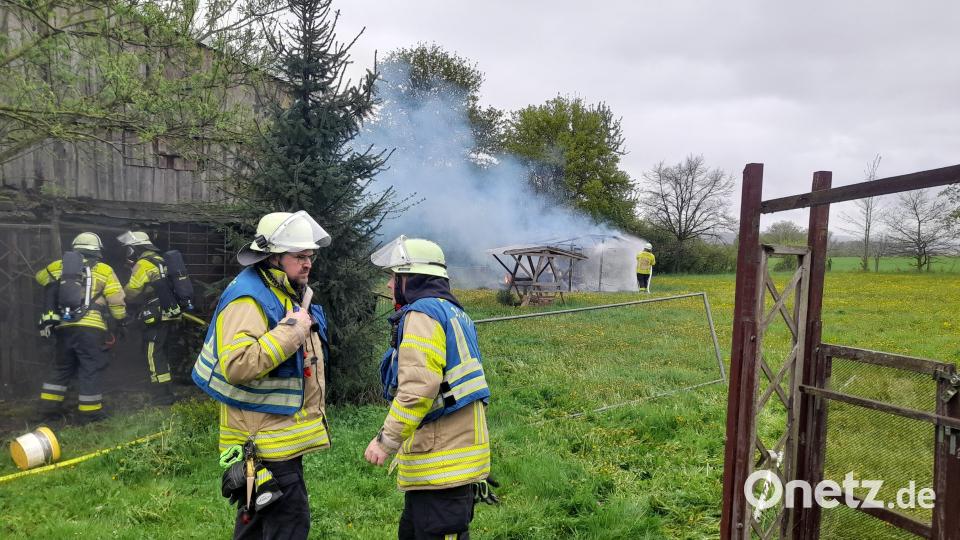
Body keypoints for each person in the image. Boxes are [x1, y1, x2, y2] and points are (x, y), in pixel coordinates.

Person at [191, 211, 331, 540]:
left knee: (255, 529)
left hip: (277, 437)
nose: (307, 263)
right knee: (290, 526)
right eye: (299, 257)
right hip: (266, 443)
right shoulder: (248, 297)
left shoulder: (283, 291)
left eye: (309, 256)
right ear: (273, 257)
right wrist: (292, 332)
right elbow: (238, 364)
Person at [364, 235, 493, 540]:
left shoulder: (422, 315)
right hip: (452, 458)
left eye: (393, 277)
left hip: (442, 465)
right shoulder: (453, 312)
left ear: (411, 279)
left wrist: (385, 441)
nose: (388, 286)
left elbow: (417, 389)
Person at [35, 232, 127, 422]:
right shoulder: (104, 270)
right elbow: (116, 300)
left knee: (61, 368)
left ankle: (48, 410)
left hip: (63, 326)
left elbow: (40, 278)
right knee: (90, 368)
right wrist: (120, 320)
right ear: (97, 250)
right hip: (91, 328)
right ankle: (90, 412)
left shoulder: (59, 266)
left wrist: (65, 275)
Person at [117, 231, 177, 405]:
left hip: (155, 312)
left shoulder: (143, 264)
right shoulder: (160, 260)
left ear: (135, 249)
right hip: (167, 311)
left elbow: (133, 290)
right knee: (161, 351)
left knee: (153, 352)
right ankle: (166, 389)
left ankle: (162, 394)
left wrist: (122, 296)